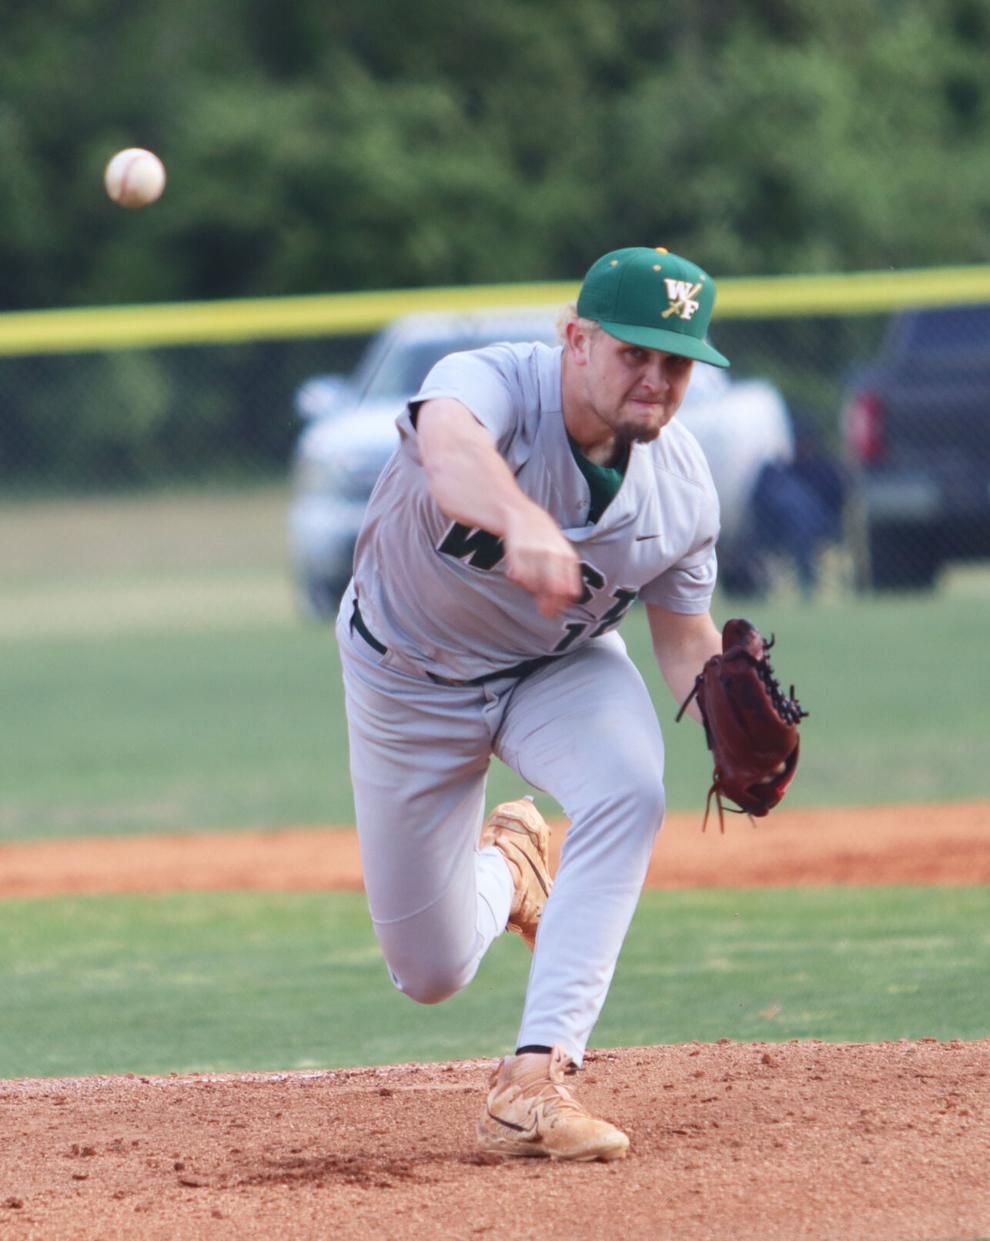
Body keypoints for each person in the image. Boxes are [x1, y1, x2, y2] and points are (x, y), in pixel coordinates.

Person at [335, 246, 730, 1162]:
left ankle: (533, 1083)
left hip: (555, 668)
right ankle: (514, 866)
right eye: (635, 352)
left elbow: (683, 632)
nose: (656, 379)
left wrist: (726, 729)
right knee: (430, 970)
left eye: (676, 362)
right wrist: (520, 519)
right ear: (576, 338)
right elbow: (450, 451)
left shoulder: (685, 488)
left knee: (630, 789)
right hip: (409, 678)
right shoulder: (491, 381)